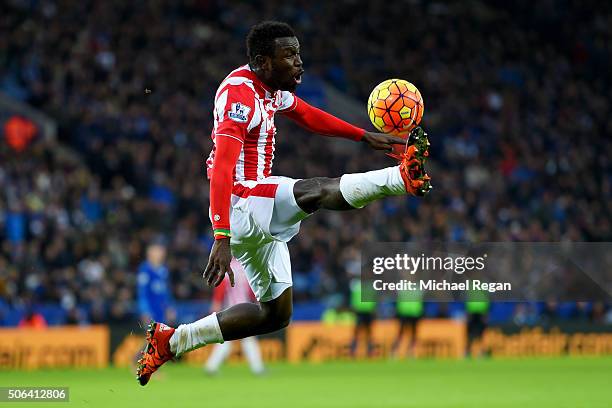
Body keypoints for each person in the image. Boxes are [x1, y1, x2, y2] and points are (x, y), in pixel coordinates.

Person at [137, 20, 431, 385]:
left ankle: (174, 340)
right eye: (289, 55)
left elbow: (307, 114)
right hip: (240, 202)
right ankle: (401, 178)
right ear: (263, 61)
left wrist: (362, 136)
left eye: (298, 52)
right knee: (312, 191)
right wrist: (221, 234)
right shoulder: (239, 95)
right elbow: (224, 167)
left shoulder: (270, 87)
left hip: (254, 213)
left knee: (275, 314)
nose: (299, 63)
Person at [204, 258, 265, 375]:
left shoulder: (226, 265)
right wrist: (258, 303)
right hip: (244, 308)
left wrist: (215, 305)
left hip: (231, 309)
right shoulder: (246, 266)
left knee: (230, 338)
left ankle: (211, 366)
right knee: (246, 339)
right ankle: (258, 368)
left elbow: (220, 287)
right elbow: (252, 289)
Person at [137, 237, 175, 326]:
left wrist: (169, 308)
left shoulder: (164, 270)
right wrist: (145, 312)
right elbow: (142, 293)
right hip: (150, 315)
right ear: (150, 251)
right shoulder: (145, 270)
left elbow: (166, 293)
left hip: (162, 316)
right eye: (158, 250)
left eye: (162, 250)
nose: (161, 253)